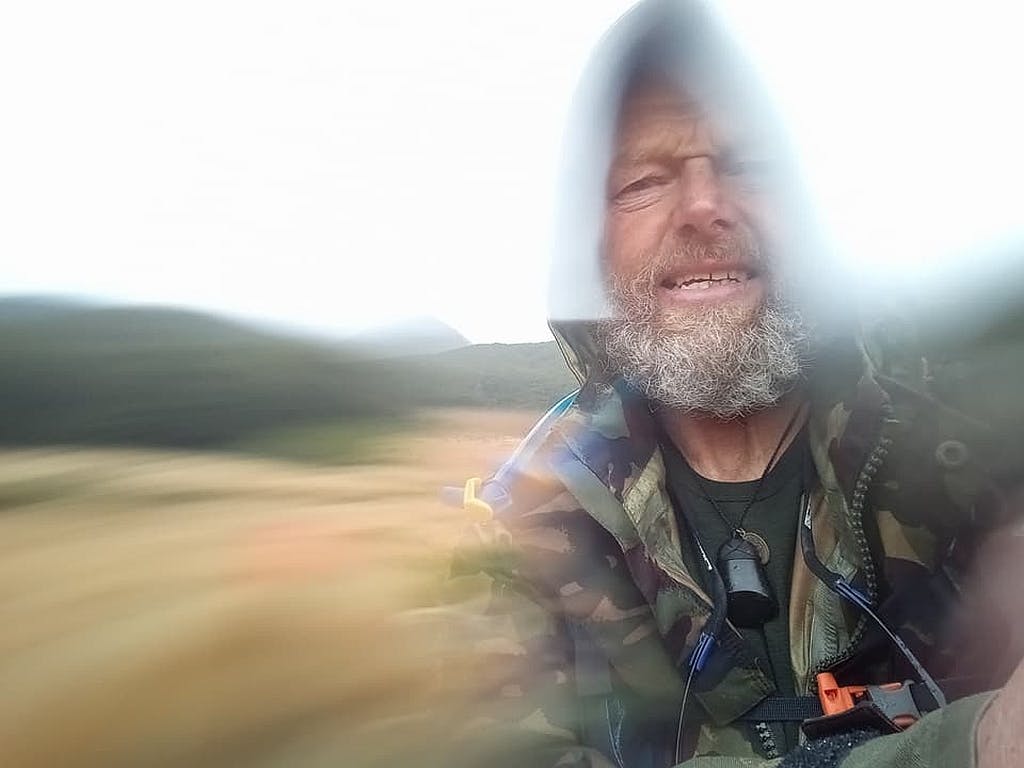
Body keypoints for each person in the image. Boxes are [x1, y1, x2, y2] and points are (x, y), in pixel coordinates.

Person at [446, 1, 1024, 767]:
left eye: (750, 166)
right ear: (590, 252)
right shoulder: (520, 530)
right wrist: (970, 747)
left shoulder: (966, 452)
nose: (706, 207)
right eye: (642, 182)